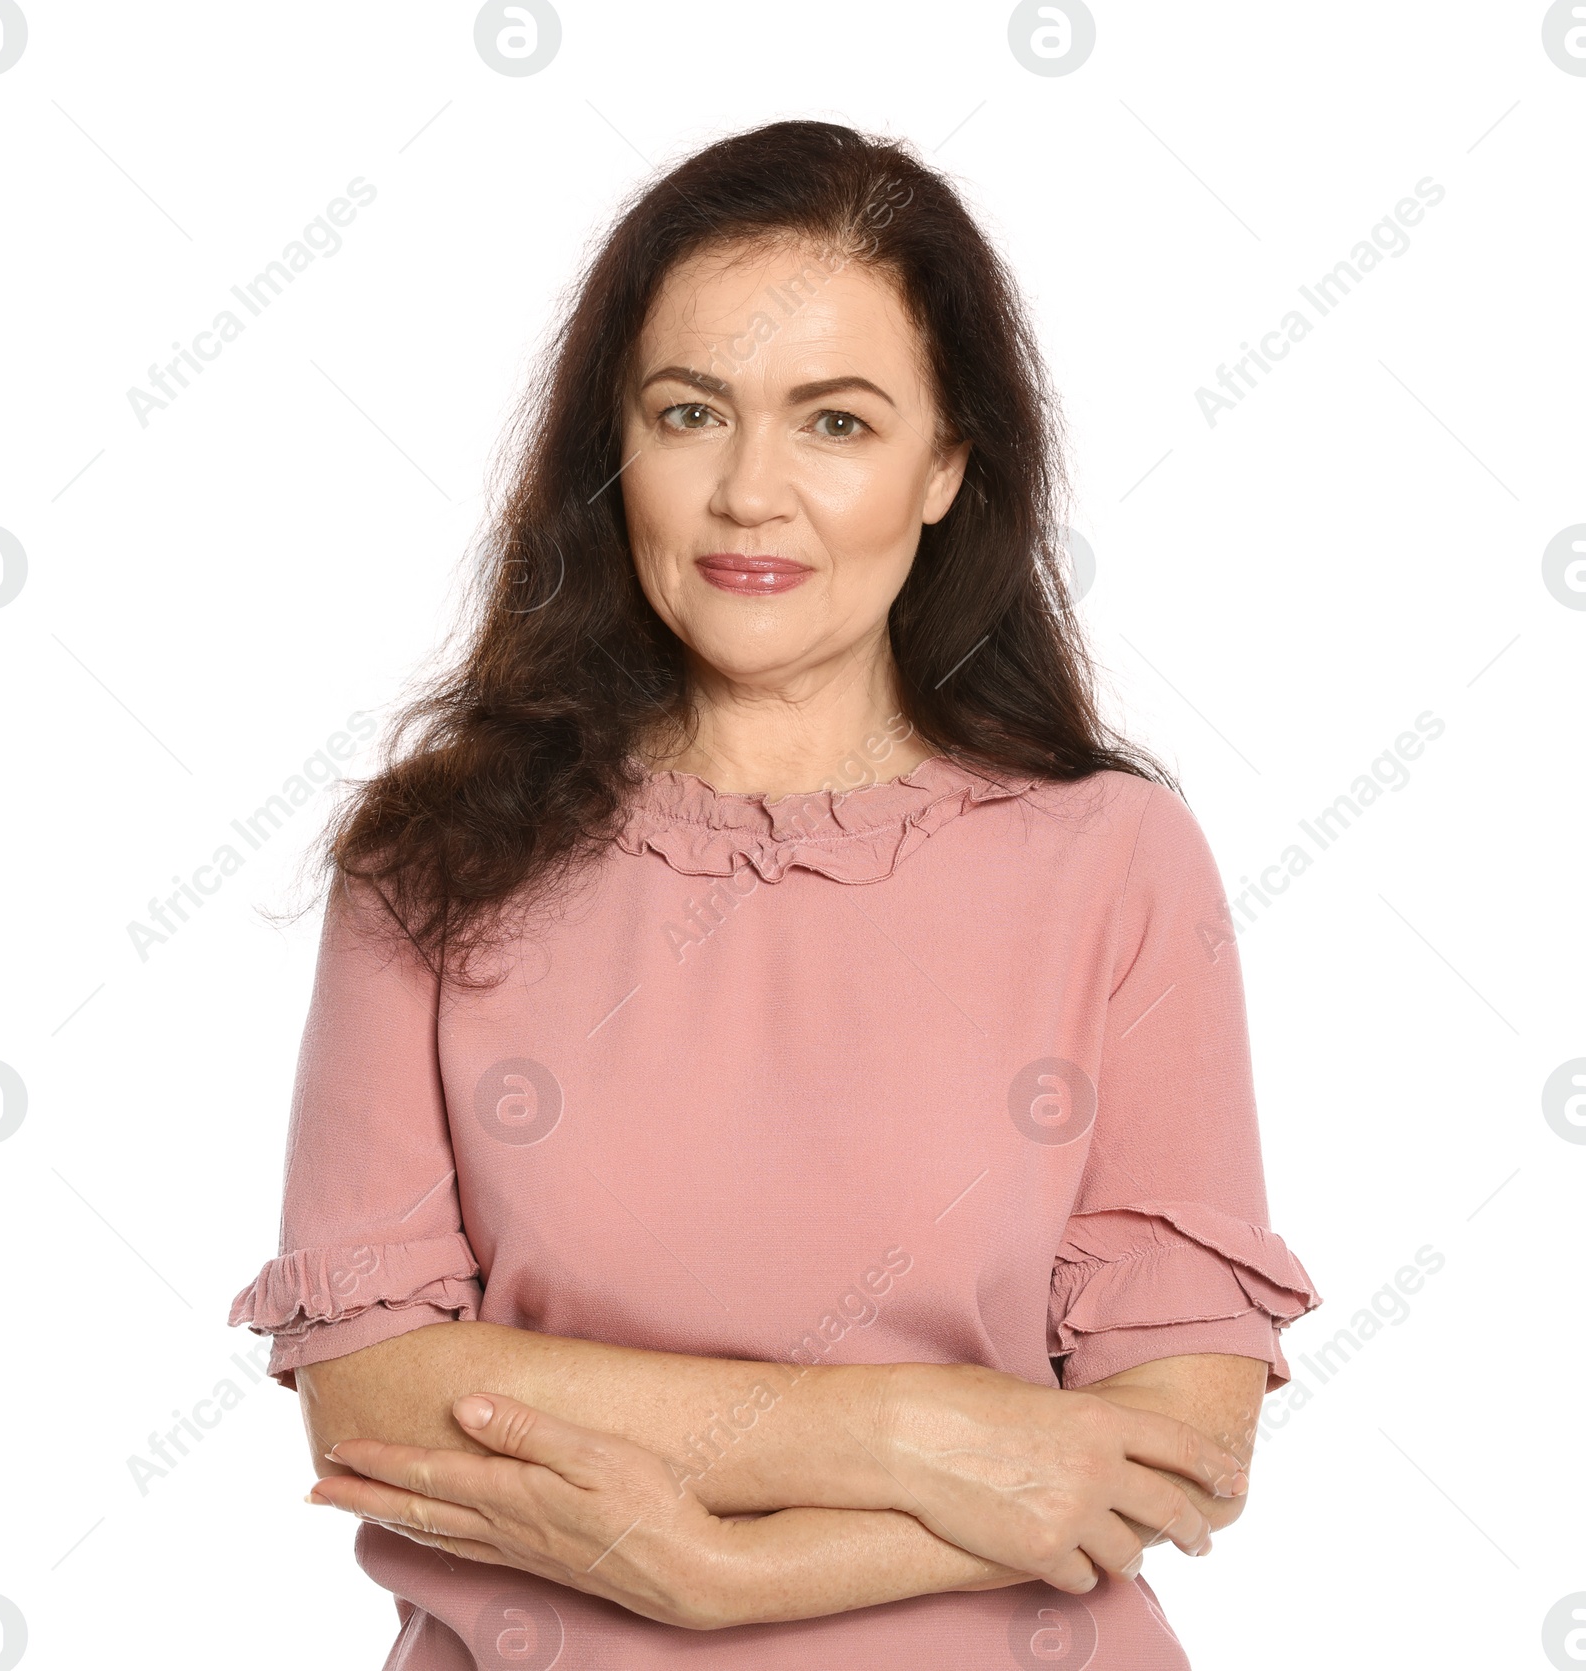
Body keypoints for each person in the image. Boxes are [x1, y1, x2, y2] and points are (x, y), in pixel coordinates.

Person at [229, 118, 1320, 1669]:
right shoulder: (433, 857)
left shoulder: (1112, 860)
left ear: (946, 468)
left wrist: (727, 1576)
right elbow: (381, 1397)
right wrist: (912, 1433)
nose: (751, 493)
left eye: (837, 423)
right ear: (617, 452)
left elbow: (1179, 1442)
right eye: (691, 413)